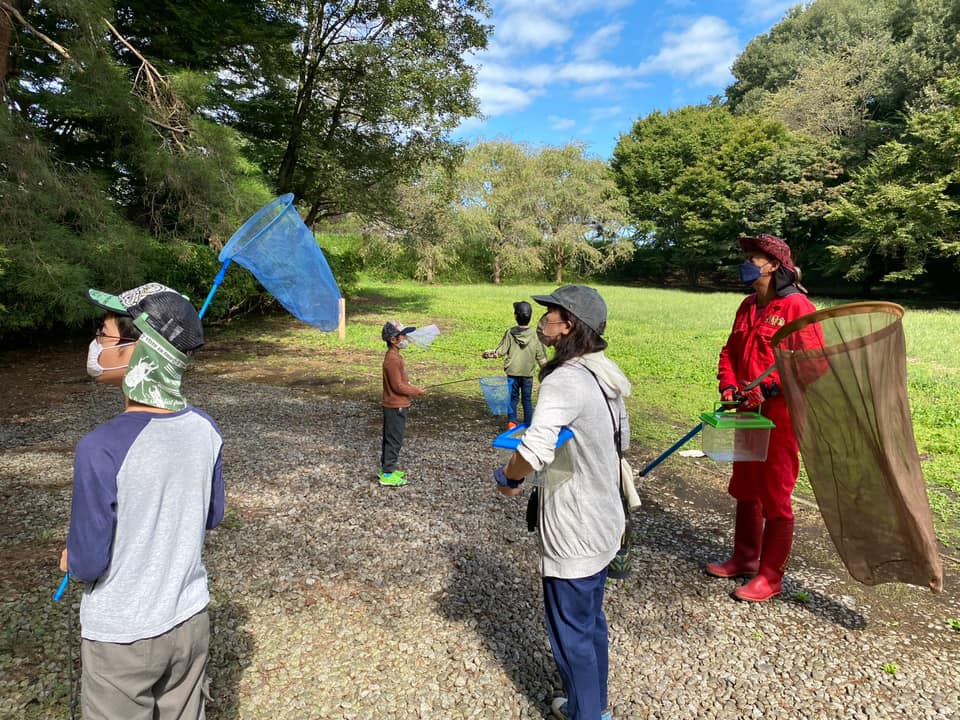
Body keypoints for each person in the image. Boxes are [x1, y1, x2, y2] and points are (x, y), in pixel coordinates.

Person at [58, 282, 224, 719]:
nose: (95, 346)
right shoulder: (206, 429)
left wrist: (71, 559)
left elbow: (90, 562)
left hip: (121, 635)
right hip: (190, 619)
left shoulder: (100, 448)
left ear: (138, 352)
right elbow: (212, 514)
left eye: (104, 336)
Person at [493, 285, 630, 720]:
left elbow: (532, 451)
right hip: (606, 519)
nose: (543, 321)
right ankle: (591, 705)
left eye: (549, 314)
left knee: (570, 634)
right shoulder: (603, 371)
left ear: (569, 324)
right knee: (590, 624)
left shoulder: (565, 378)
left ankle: (586, 715)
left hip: (575, 527)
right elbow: (620, 440)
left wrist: (508, 478)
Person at [706, 234, 817, 602]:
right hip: (744, 411)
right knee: (745, 485)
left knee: (775, 492)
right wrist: (728, 384)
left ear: (773, 264)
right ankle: (745, 557)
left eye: (753, 257)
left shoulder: (797, 306)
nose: (747, 263)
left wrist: (770, 388)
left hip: (780, 416)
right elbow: (729, 351)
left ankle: (771, 577)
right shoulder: (747, 306)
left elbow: (814, 364)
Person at [481, 300, 547, 429]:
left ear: (516, 316)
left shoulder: (510, 333)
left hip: (512, 373)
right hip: (527, 375)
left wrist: (488, 354)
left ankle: (512, 423)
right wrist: (550, 373)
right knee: (527, 400)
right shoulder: (535, 335)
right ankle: (529, 425)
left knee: (513, 398)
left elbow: (499, 352)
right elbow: (542, 358)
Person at [380, 320, 425, 487]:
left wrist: (411, 386)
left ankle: (386, 468)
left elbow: (401, 382)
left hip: (398, 404)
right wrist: (416, 391)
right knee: (394, 439)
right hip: (395, 405)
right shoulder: (392, 359)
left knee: (392, 437)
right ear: (393, 340)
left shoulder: (396, 356)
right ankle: (387, 474)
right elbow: (397, 386)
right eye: (403, 335)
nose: (406, 338)